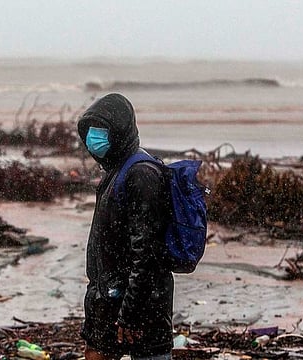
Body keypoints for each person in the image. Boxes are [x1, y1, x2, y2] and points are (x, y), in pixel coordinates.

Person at [77, 93, 174, 360]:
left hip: (141, 307)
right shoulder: (116, 170)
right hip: (108, 299)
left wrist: (130, 313)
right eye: (90, 132)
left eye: (102, 131)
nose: (93, 139)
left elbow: (147, 254)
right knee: (94, 354)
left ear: (119, 131)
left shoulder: (142, 174)